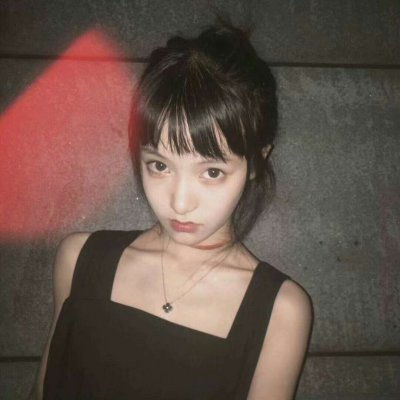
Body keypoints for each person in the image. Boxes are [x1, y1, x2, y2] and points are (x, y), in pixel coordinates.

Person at [31, 20, 313, 400]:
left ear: (256, 163)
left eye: (212, 172)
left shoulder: (280, 311)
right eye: (159, 165)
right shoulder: (79, 260)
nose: (179, 203)